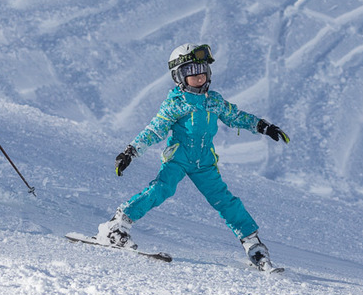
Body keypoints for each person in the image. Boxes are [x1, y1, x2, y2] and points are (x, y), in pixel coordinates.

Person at [95, 43, 289, 268]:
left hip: (204, 162)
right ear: (179, 77)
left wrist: (263, 126)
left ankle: (253, 246)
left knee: (225, 201)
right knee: (161, 189)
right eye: (190, 72)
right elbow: (154, 129)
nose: (198, 77)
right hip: (178, 157)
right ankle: (116, 226)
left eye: (202, 70)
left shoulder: (213, 101)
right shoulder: (176, 103)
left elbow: (236, 116)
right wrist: (131, 152)